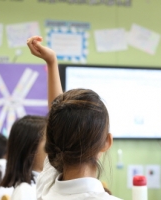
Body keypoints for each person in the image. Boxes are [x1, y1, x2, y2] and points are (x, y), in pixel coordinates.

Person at [26, 36, 121, 200]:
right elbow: (56, 118)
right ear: (107, 142)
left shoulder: (46, 188)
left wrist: (52, 62)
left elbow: (58, 118)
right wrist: (51, 62)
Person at [1, 115, 47, 200]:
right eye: (49, 140)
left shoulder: (44, 181)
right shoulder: (25, 191)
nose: (55, 147)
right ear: (30, 148)